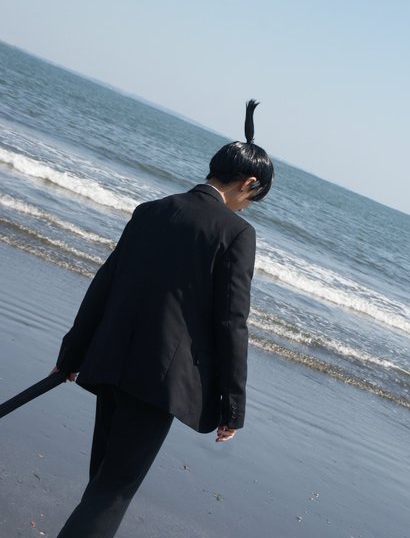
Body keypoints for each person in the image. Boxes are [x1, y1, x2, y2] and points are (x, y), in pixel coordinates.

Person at [52, 100, 274, 538]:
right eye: (253, 199)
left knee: (102, 483)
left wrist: (71, 355)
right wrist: (233, 406)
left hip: (110, 362)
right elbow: (232, 323)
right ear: (249, 183)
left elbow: (103, 286)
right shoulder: (236, 233)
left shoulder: (152, 209)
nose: (247, 208)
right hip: (157, 383)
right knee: (111, 493)